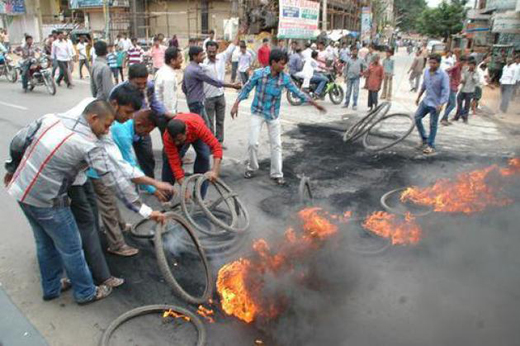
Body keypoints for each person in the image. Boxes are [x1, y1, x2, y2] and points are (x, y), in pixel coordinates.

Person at [4, 100, 168, 305]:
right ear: (93, 118)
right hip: (48, 201)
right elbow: (114, 180)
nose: (108, 130)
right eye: (107, 125)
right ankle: (85, 292)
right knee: (72, 248)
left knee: (44, 243)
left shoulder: (51, 119)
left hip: (22, 191)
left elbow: (20, 140)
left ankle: (52, 287)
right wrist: (145, 210)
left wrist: (11, 169)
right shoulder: (89, 145)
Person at [230, 49, 326, 185]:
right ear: (273, 62)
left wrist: (314, 103)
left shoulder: (285, 78)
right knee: (253, 143)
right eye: (282, 64)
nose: (284, 66)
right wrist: (236, 104)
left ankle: (277, 173)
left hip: (273, 115)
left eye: (285, 64)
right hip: (257, 112)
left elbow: (297, 92)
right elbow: (246, 88)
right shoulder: (259, 74)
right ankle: (252, 167)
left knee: (277, 145)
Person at [111, 64, 174, 178]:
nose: (142, 86)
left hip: (142, 129)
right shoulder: (118, 91)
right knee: (125, 159)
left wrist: (167, 113)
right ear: (129, 79)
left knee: (147, 157)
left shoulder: (149, 86)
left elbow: (154, 102)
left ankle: (148, 181)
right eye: (138, 84)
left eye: (144, 83)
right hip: (123, 129)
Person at [162, 115, 223, 194]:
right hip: (183, 135)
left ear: (186, 131)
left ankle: (199, 195)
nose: (176, 143)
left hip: (196, 133)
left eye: (179, 140)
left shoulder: (197, 127)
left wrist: (215, 171)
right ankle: (167, 195)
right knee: (168, 162)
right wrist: (185, 189)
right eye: (175, 140)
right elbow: (175, 165)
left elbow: (216, 146)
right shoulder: (168, 137)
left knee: (204, 157)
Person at [182, 45, 240, 124]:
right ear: (194, 56)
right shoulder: (196, 70)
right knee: (202, 127)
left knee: (205, 126)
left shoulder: (189, 68)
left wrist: (190, 96)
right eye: (201, 55)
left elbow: (183, 87)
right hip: (197, 103)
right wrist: (232, 85)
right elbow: (214, 81)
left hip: (193, 101)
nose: (204, 57)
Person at [202, 29, 241, 145]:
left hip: (220, 96)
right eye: (210, 52)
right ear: (206, 51)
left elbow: (233, 45)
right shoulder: (202, 63)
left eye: (214, 51)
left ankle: (219, 143)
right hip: (208, 98)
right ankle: (211, 143)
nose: (212, 54)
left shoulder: (222, 57)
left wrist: (239, 32)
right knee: (209, 123)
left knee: (220, 121)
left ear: (217, 50)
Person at [414, 54, 450, 155]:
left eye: (434, 63)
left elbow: (445, 91)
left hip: (436, 104)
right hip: (426, 101)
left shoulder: (443, 75)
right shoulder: (426, 72)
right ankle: (424, 138)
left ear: (438, 63)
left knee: (433, 124)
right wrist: (418, 97)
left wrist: (441, 104)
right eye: (430, 62)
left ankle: (431, 145)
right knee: (417, 117)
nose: (432, 64)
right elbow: (424, 85)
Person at [155, 47, 183, 116]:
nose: (182, 61)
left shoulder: (163, 71)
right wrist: (173, 115)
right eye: (180, 58)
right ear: (172, 61)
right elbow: (169, 101)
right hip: (166, 115)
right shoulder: (168, 76)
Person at [440, 56, 467, 125]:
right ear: (461, 61)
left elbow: (456, 77)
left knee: (449, 103)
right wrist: (450, 79)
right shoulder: (456, 66)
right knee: (453, 104)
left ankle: (445, 118)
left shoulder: (459, 68)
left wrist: (459, 81)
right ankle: (444, 117)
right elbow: (447, 71)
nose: (464, 64)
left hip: (454, 86)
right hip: (452, 87)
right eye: (463, 62)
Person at [452, 59, 480, 124]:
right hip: (463, 89)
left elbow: (476, 81)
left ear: (475, 66)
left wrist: (473, 73)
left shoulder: (476, 73)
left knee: (467, 105)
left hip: (470, 90)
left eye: (472, 65)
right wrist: (462, 80)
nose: (471, 66)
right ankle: (457, 116)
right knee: (459, 101)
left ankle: (465, 117)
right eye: (470, 65)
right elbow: (462, 78)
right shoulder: (465, 70)